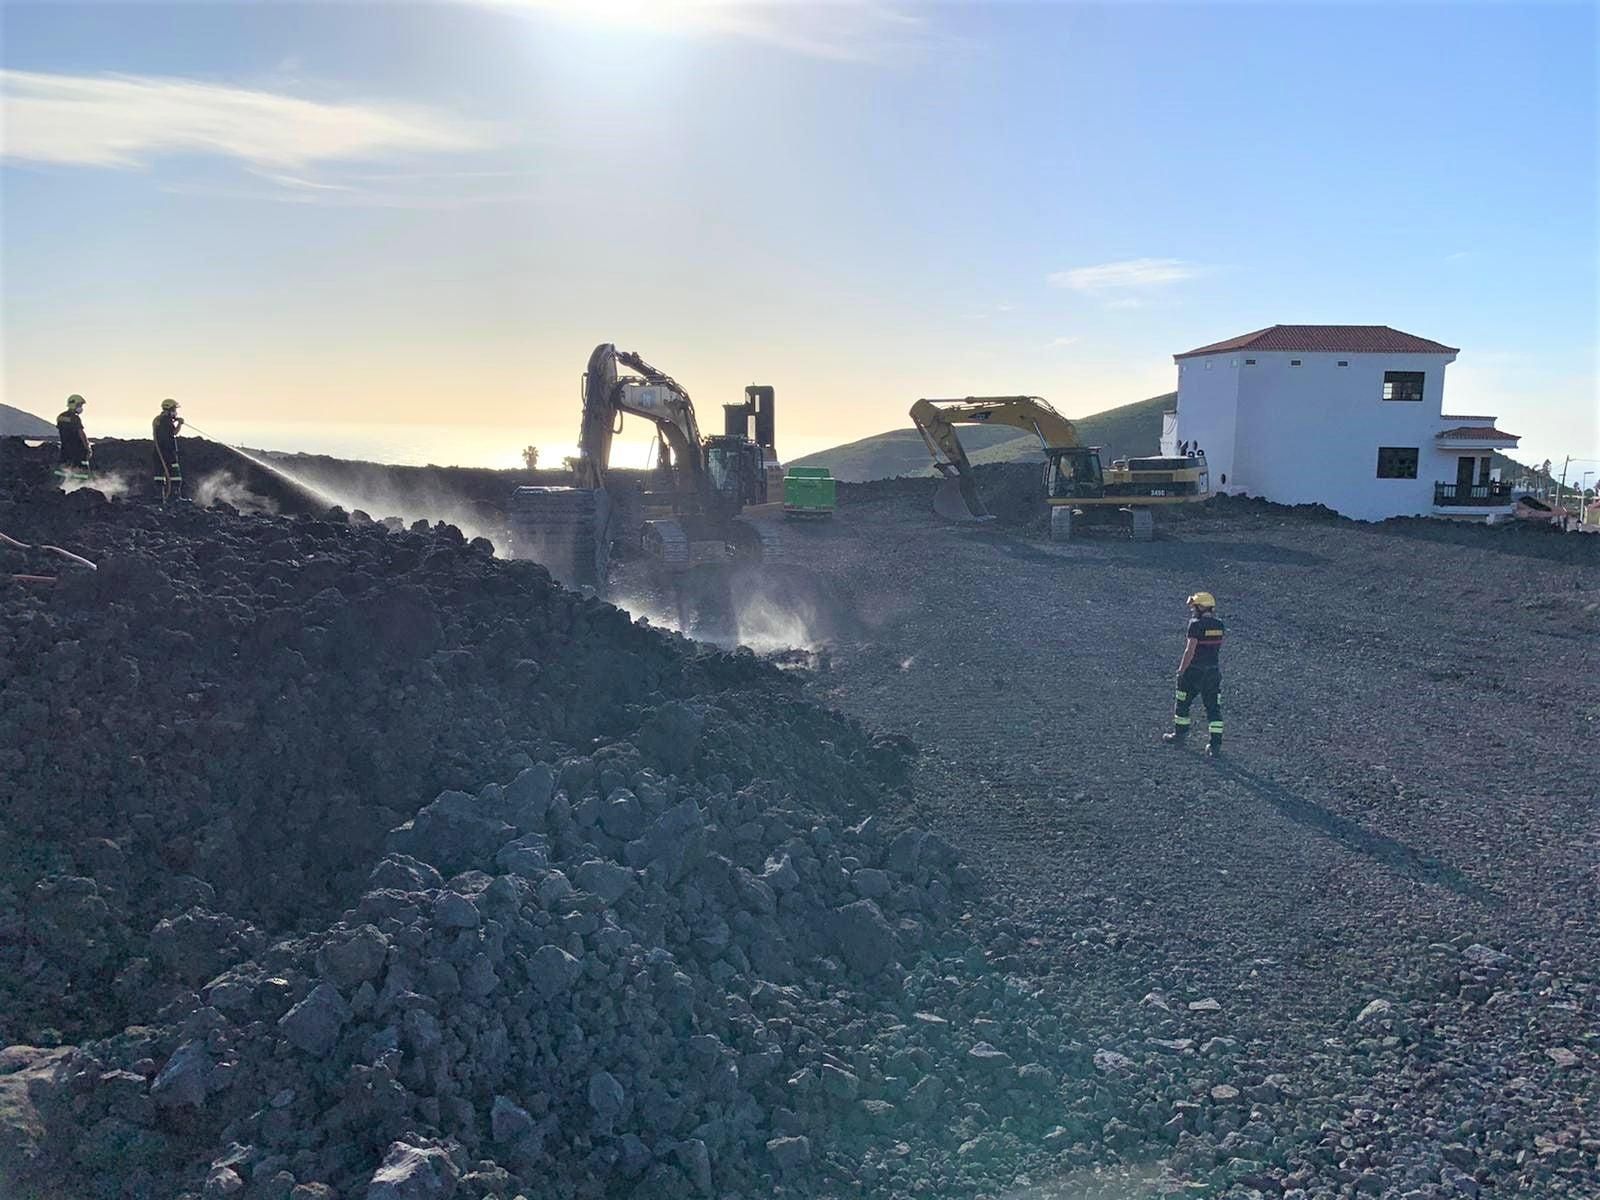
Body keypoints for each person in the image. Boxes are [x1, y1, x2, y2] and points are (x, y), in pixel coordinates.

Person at [1163, 590, 1225, 756]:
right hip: (1213, 672)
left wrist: (1181, 670)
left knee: (1182, 703)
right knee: (1213, 708)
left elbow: (1190, 650)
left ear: (1201, 607)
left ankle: (1180, 735)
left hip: (1194, 672)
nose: (1192, 610)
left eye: (1194, 606)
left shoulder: (1195, 624)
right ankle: (1215, 745)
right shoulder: (1219, 625)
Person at [152, 398, 185, 501]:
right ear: (170, 409)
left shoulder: (159, 419)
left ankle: (159, 496)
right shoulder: (166, 420)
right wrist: (180, 423)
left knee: (159, 473)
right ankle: (175, 496)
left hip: (158, 452)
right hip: (168, 452)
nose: (176, 411)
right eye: (174, 409)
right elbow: (174, 433)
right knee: (175, 474)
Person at [56, 394, 91, 479]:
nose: (81, 408)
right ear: (74, 404)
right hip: (78, 449)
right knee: (81, 471)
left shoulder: (60, 417)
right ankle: (80, 484)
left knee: (62, 470)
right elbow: (81, 433)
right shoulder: (75, 418)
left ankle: (58, 484)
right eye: (80, 405)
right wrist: (87, 447)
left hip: (65, 448)